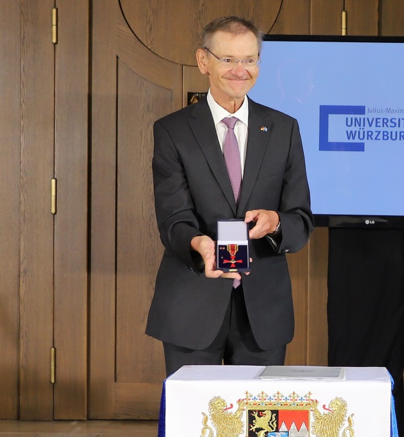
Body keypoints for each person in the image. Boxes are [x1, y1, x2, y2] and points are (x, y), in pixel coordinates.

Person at [147, 16, 312, 376]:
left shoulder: (283, 129)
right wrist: (199, 245)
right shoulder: (173, 131)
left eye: (249, 59)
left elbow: (301, 220)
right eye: (228, 59)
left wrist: (276, 223)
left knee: (257, 414)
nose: (241, 70)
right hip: (192, 304)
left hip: (263, 312)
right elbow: (173, 218)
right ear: (203, 61)